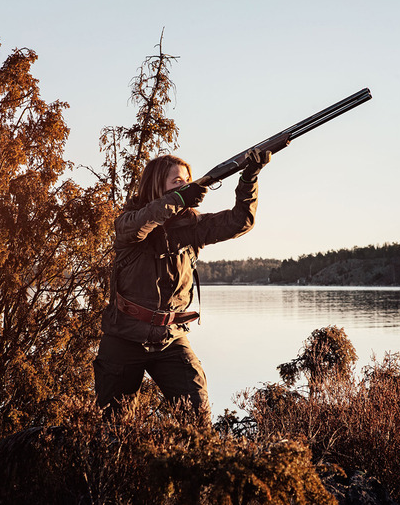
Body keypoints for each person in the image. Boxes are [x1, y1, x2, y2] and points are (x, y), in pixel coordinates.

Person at [93, 149, 271, 423]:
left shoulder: (194, 227)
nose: (185, 184)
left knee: (197, 419)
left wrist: (249, 177)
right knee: (113, 428)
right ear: (156, 185)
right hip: (123, 338)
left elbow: (240, 222)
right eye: (176, 181)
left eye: (186, 180)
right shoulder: (129, 221)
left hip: (171, 339)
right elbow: (141, 224)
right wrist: (177, 200)